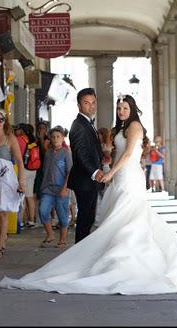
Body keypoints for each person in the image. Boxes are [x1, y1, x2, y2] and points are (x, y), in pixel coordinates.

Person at [0, 95, 177, 302]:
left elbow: (127, 154)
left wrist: (110, 173)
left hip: (127, 178)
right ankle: (111, 258)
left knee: (129, 220)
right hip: (118, 178)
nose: (122, 111)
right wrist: (107, 164)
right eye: (119, 108)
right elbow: (113, 151)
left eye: (125, 107)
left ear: (132, 109)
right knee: (116, 220)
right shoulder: (120, 127)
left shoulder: (134, 126)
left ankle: (126, 262)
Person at [66, 88, 104, 244]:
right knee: (84, 220)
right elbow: (81, 155)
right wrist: (95, 172)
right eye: (86, 103)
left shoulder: (87, 123)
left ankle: (82, 252)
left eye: (93, 102)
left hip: (88, 181)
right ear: (79, 105)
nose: (91, 106)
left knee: (87, 219)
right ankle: (79, 254)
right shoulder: (79, 125)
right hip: (85, 181)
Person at [0, 108, 26, 259]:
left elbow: (20, 162)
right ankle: (2, 235)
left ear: (5, 121)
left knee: (2, 213)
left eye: (0, 120)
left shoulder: (10, 138)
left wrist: (21, 182)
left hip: (5, 180)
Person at [39, 125, 73, 248]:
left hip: (61, 189)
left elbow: (70, 172)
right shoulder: (48, 153)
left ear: (63, 138)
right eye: (53, 137)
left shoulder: (66, 153)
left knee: (62, 214)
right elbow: (45, 170)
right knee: (43, 210)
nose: (55, 139)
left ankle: (62, 239)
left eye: (58, 136)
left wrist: (65, 188)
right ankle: (50, 234)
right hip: (47, 188)